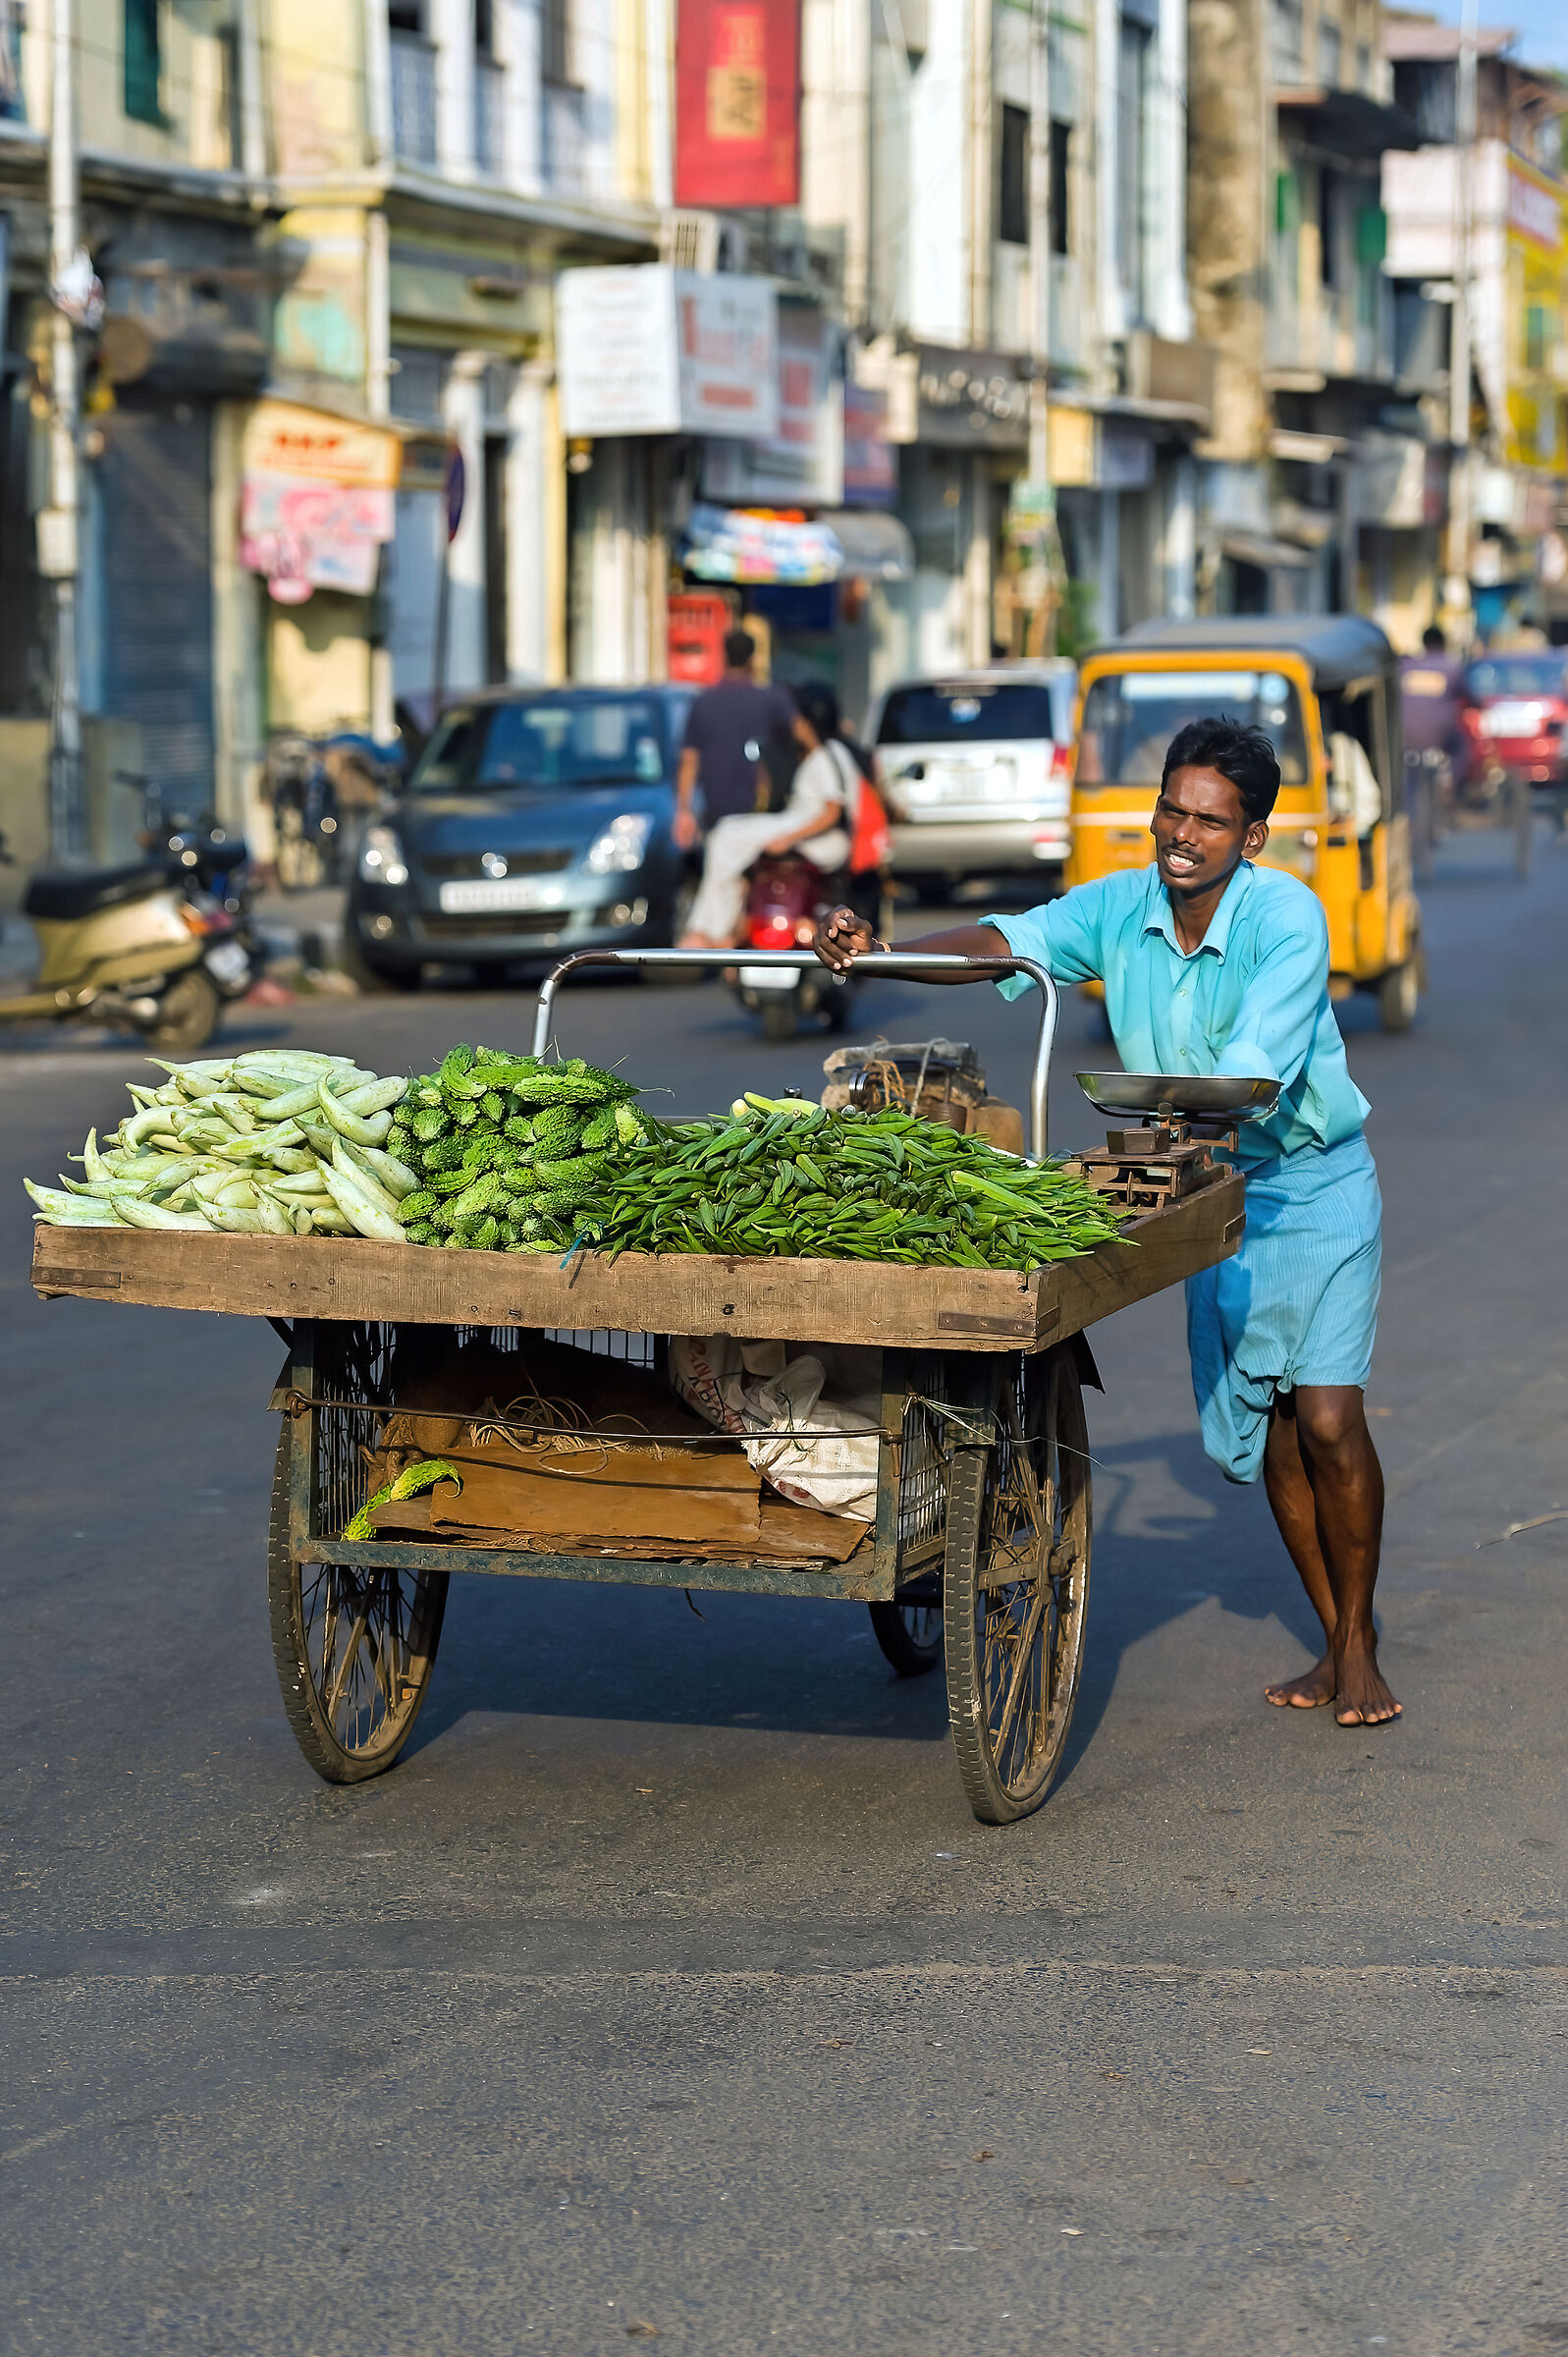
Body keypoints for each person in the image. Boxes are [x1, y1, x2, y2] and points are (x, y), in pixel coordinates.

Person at [816, 715, 1400, 1729]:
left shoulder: (1288, 918)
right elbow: (1011, 944)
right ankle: (1332, 1624)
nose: (1181, 833)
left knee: (1328, 1417)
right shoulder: (1121, 905)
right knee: (1268, 1417)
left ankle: (1357, 1643)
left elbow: (1258, 1057)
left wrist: (1189, 1114)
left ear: (1250, 837)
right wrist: (880, 954)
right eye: (1170, 809)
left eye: (1209, 821)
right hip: (1204, 1186)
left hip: (1311, 1184)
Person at [680, 680, 856, 950]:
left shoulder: (824, 757)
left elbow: (832, 812)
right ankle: (718, 927)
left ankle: (708, 931)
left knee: (727, 835)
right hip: (803, 828)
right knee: (729, 836)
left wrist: (788, 837)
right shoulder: (831, 754)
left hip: (814, 835)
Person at [674, 628, 799, 852]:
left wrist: (683, 811)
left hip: (717, 812)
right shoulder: (772, 699)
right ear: (752, 659)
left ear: (724, 656)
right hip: (762, 812)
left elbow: (689, 760)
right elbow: (800, 732)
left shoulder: (703, 702)